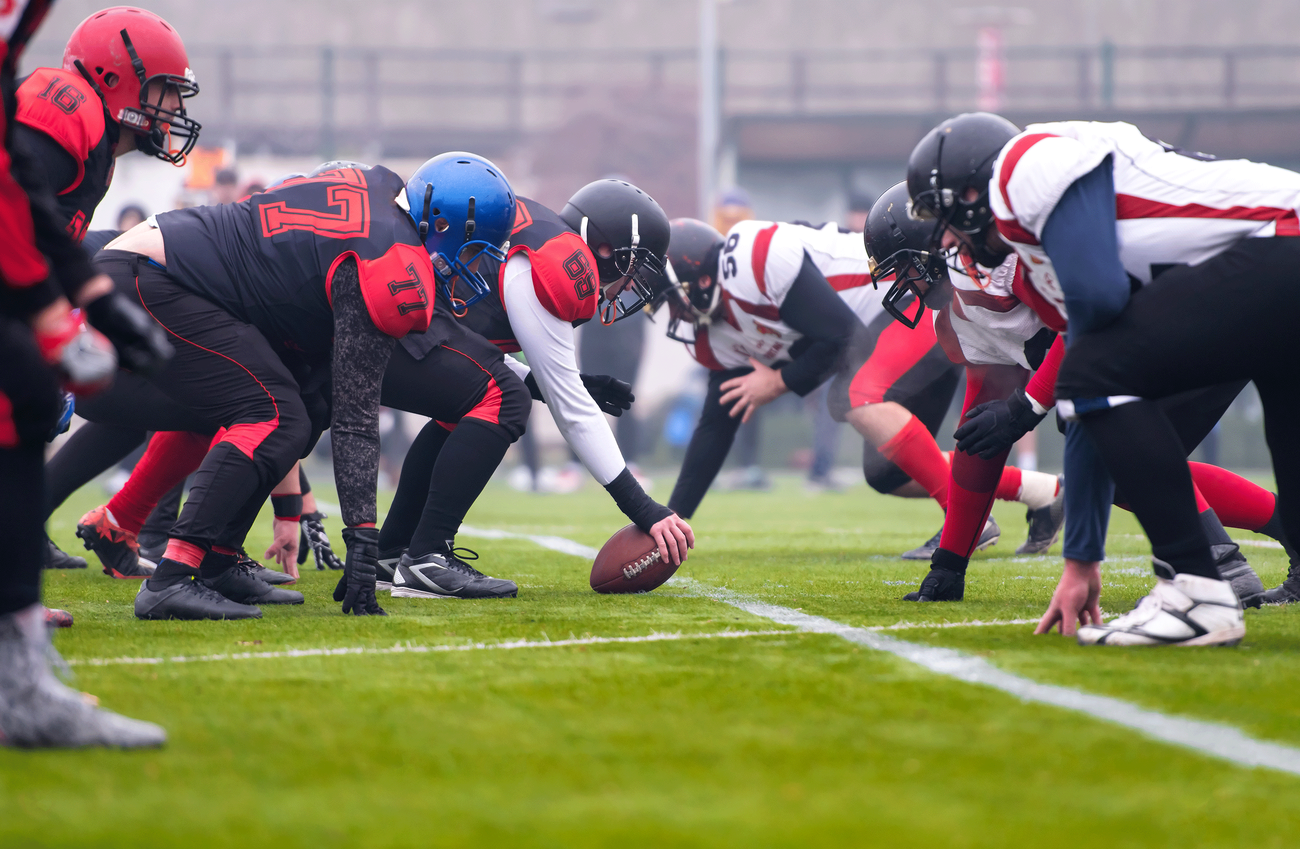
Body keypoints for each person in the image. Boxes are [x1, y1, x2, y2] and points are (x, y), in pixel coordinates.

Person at [906, 112, 1300, 644]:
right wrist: (1081, 559)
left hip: (1278, 241)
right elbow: (1090, 391)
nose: (949, 241)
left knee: (1093, 372)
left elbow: (1095, 321)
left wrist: (1028, 407)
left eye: (946, 220)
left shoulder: (1025, 165)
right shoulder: (1035, 242)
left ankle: (1198, 585)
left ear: (975, 192)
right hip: (1269, 263)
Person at [82, 153, 511, 621]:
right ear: (443, 225)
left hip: (166, 268)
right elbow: (357, 419)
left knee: (302, 410)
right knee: (272, 416)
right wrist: (363, 539)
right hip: (158, 277)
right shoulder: (389, 259)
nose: (472, 269)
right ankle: (171, 578)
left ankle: (219, 562)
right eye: (472, 251)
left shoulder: (379, 195)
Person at [868, 180, 1271, 605]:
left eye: (905, 269)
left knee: (1101, 429)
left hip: (1205, 310)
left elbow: (1082, 322)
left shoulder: (1009, 258)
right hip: (1189, 325)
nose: (904, 286)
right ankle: (1267, 546)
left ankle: (1218, 566)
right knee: (1117, 460)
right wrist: (949, 563)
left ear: (934, 250)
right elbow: (981, 436)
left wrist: (1026, 407)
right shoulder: (965, 307)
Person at [650, 216, 1059, 556]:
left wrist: (778, 381)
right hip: (884, 334)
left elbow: (840, 337)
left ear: (701, 281)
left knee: (852, 396)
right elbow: (717, 422)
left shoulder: (752, 259)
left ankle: (965, 524)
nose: (674, 313)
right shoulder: (712, 333)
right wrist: (672, 519)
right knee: (890, 473)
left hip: (914, 299)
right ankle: (1046, 493)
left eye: (672, 298)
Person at [377, 179, 695, 592]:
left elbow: (471, 350)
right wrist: (644, 508)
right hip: (383, 326)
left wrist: (556, 384)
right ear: (605, 251)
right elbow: (574, 413)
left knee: (471, 399)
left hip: (393, 322)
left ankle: (392, 551)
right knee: (505, 400)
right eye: (634, 269)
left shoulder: (539, 235)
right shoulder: (556, 261)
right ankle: (426, 555)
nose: (631, 285)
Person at [0, 0, 170, 748]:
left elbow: (31, 211)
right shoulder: (63, 104)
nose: (170, 107)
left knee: (28, 403)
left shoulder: (90, 134)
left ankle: (14, 634)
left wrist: (88, 298)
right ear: (120, 75)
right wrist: (53, 314)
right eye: (163, 88)